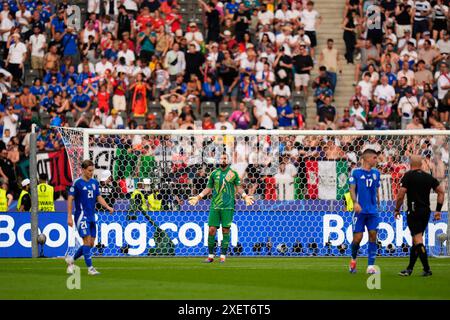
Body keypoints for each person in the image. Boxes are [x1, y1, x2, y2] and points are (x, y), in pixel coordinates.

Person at [188, 153, 254, 263]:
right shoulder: (214, 173)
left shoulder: (233, 174)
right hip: (215, 206)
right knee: (211, 230)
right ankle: (210, 256)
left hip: (228, 206)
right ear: (218, 160)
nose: (223, 160)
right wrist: (198, 197)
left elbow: (239, 188)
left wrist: (245, 196)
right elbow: (208, 188)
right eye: (221, 158)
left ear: (228, 160)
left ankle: (223, 256)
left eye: (225, 158)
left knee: (225, 230)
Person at [395, 155, 445, 277]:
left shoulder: (408, 176)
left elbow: (401, 194)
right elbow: (441, 192)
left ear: (410, 164)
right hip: (426, 212)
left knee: (418, 240)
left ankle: (427, 269)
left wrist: (397, 209)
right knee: (416, 241)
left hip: (414, 211)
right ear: (421, 164)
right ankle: (409, 269)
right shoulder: (428, 177)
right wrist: (438, 210)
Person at [65, 160, 114, 275]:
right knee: (86, 241)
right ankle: (90, 268)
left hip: (92, 215)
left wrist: (108, 207)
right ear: (83, 170)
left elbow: (98, 197)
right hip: (81, 216)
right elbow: (70, 198)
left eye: (93, 170)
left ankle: (71, 260)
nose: (91, 173)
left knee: (91, 243)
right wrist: (69, 217)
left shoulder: (94, 183)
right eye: (89, 170)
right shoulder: (77, 183)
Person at [348, 149, 380, 274]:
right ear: (367, 159)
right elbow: (352, 189)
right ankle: (353, 260)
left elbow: (377, 189)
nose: (376, 160)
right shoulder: (355, 172)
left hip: (372, 211)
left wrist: (378, 202)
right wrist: (355, 202)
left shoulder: (376, 173)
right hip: (359, 210)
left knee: (373, 235)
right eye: (375, 158)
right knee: (358, 238)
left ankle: (370, 266)